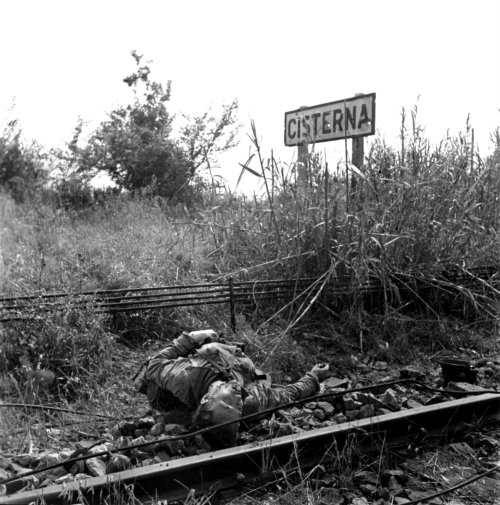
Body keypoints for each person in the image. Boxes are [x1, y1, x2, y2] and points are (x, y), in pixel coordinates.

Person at [136, 329, 330, 448]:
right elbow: (289, 394)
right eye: (238, 401)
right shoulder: (250, 401)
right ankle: (179, 415)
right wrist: (313, 377)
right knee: (159, 397)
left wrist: (195, 336)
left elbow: (155, 362)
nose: (237, 390)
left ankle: (180, 415)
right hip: (230, 370)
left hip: (199, 365)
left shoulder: (183, 377)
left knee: (154, 381)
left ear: (206, 399)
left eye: (233, 395)